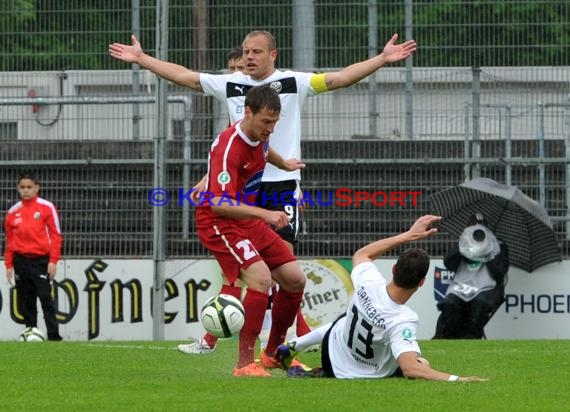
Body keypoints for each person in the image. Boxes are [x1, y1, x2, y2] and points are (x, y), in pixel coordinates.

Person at [109, 29, 415, 353]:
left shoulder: (293, 82)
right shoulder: (232, 84)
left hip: (281, 188)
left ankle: (274, 340)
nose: (248, 57)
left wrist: (381, 59)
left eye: (256, 51)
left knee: (279, 270)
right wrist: (142, 59)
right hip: (243, 189)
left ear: (273, 55)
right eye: (245, 51)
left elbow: (339, 79)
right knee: (254, 271)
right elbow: (185, 77)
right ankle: (261, 342)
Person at [273, 215, 487, 382]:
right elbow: (410, 369)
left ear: (393, 269)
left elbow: (362, 255)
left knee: (345, 318)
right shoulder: (403, 318)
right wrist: (457, 379)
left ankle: (293, 345)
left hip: (333, 347)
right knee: (421, 362)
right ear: (421, 282)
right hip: (356, 373)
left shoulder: (369, 282)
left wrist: (409, 235)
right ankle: (310, 361)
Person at [193, 84, 307, 377]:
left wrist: (285, 163)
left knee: (295, 279)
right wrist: (266, 214)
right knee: (261, 278)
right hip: (219, 223)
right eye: (265, 122)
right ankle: (244, 364)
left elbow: (265, 152)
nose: (270, 129)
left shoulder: (259, 135)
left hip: (246, 220)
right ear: (247, 112)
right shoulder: (230, 145)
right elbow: (218, 204)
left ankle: (272, 354)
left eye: (274, 123)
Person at [4, 173, 63, 341]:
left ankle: (53, 335)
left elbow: (56, 235)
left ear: (37, 188)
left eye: (29, 187)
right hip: (20, 260)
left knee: (45, 296)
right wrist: (9, 264)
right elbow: (9, 241)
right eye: (22, 187)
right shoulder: (12, 212)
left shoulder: (46, 207)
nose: (26, 191)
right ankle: (31, 332)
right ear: (18, 189)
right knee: (26, 298)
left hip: (41, 260)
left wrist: (53, 260)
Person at [433, 213, 510, 339]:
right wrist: (464, 246)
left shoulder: (499, 246)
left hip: (486, 288)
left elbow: (500, 272)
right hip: (460, 288)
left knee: (480, 304)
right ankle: (449, 338)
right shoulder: (462, 243)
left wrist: (487, 250)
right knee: (450, 304)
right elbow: (448, 264)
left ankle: (471, 337)